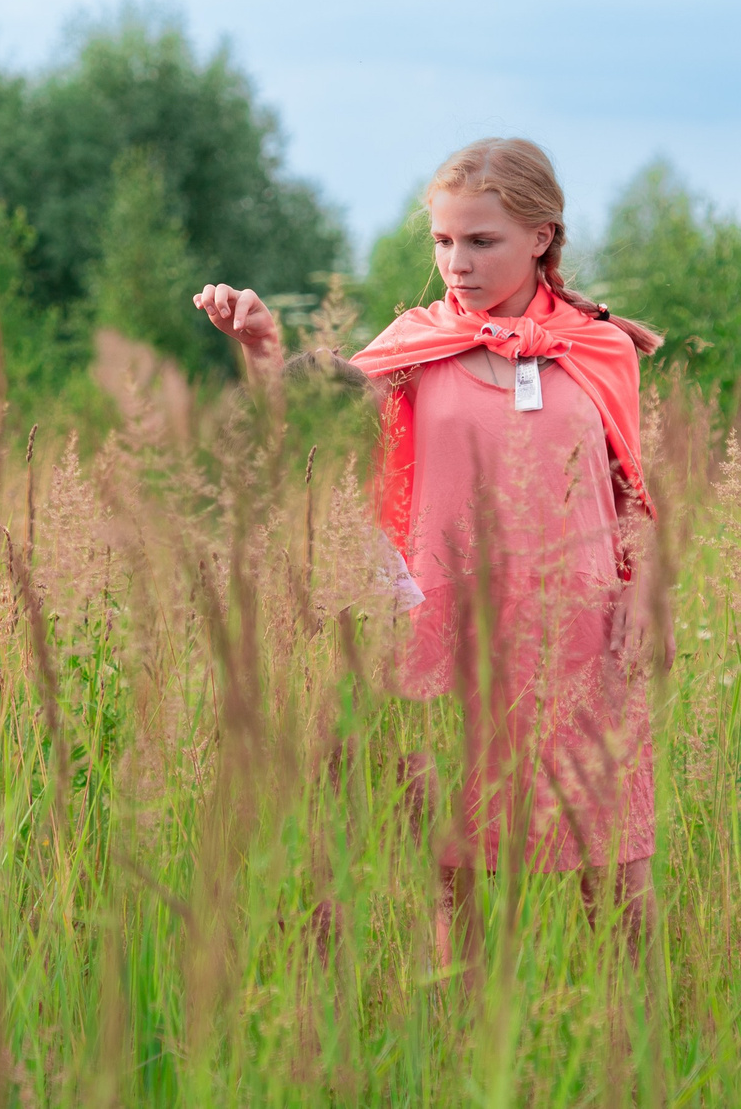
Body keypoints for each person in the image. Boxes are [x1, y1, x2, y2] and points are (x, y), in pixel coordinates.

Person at [193, 137, 665, 963]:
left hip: (579, 630)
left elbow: (629, 487)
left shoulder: (601, 348)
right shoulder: (414, 344)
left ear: (541, 237)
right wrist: (261, 351)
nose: (458, 262)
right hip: (449, 634)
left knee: (614, 872)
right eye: (444, 241)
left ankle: (644, 1054)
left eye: (481, 241)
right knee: (455, 872)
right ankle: (461, 1055)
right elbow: (313, 421)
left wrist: (642, 585)